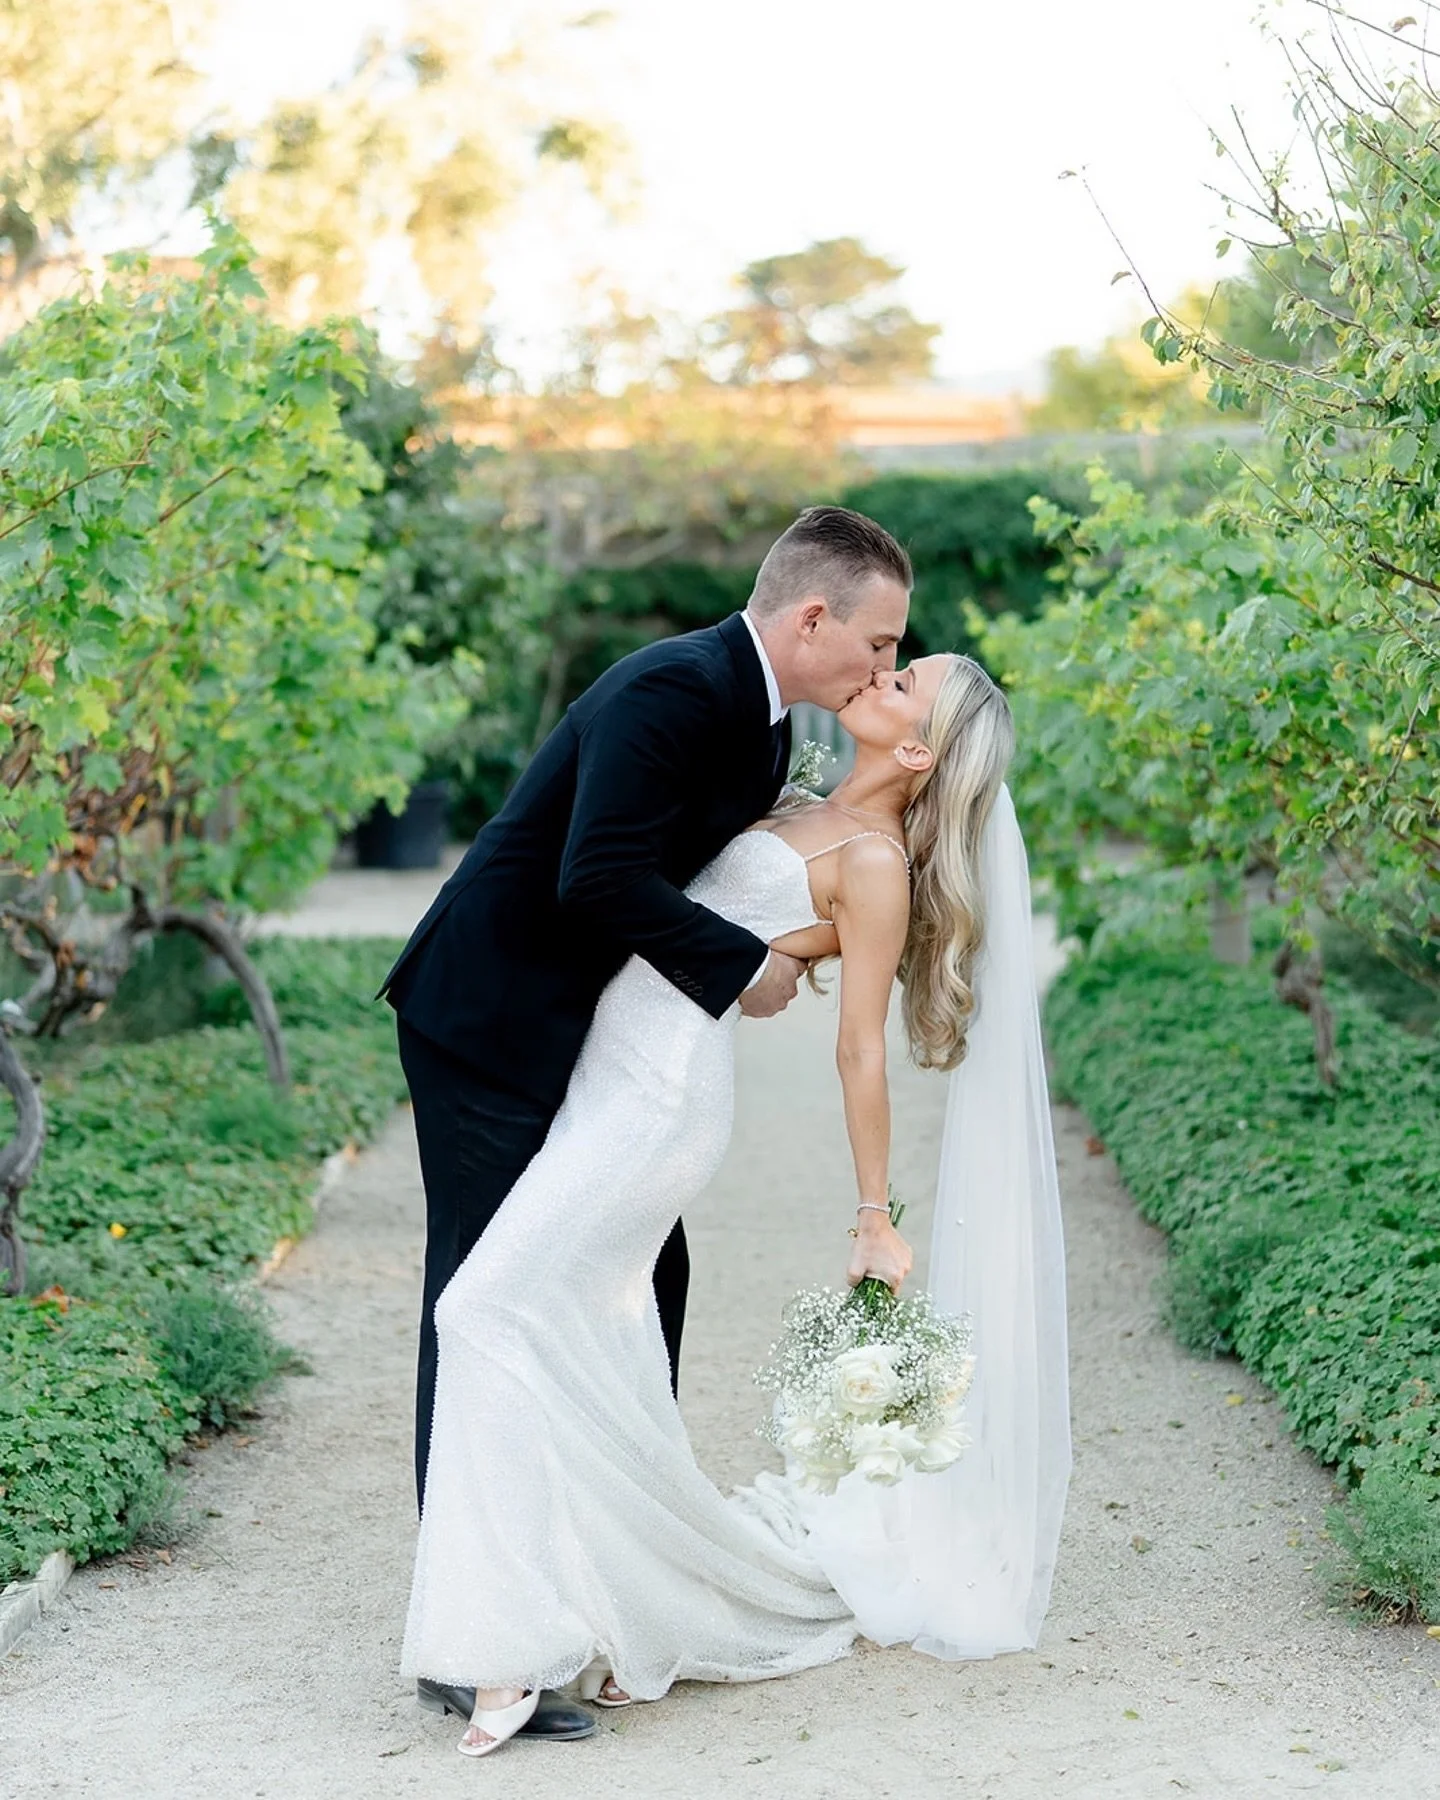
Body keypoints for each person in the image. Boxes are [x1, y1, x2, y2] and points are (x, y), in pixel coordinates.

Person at [399, 640, 1072, 1756]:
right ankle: (626, 1609)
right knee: (595, 1342)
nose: (882, 673)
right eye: (893, 662)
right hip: (601, 1068)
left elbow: (861, 1052)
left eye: (907, 684)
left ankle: (507, 1649)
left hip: (660, 1101)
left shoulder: (873, 868)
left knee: (481, 1309)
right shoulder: (789, 789)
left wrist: (873, 1216)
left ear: (918, 747)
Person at [378, 505, 913, 1744]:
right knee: (485, 1293)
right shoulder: (674, 689)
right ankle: (477, 1639)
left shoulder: (771, 725)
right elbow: (597, 877)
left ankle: (615, 1580)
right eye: (879, 643)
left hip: (600, 1046)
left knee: (645, 1281)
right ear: (811, 617)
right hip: (492, 1021)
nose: (885, 667)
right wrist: (748, 967)